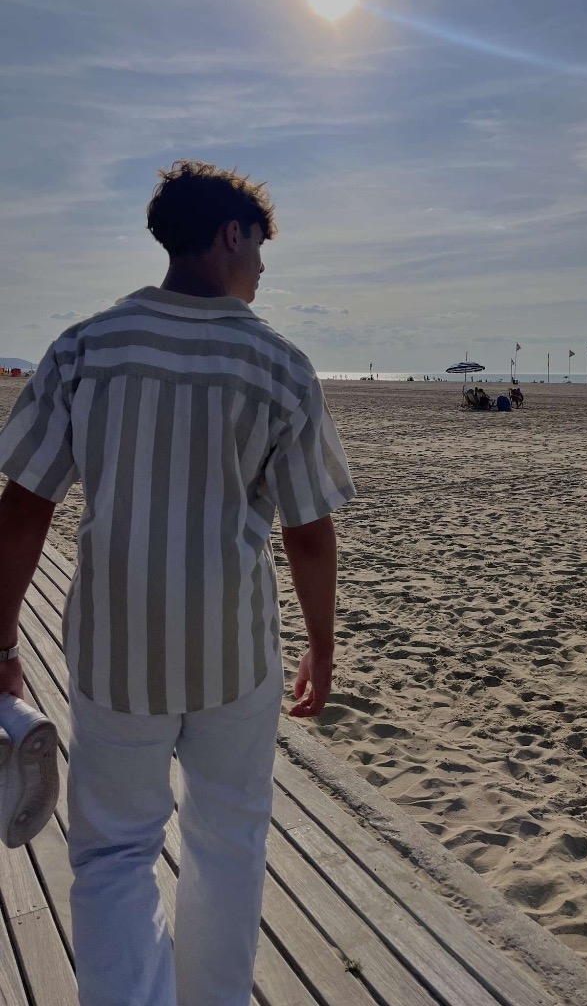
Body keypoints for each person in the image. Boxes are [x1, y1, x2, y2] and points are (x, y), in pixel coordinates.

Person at [0, 161, 356, 1006]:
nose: (262, 269)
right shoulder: (280, 365)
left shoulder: (87, 347)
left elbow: (23, 509)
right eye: (260, 248)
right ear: (231, 234)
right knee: (228, 840)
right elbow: (308, 531)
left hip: (116, 649)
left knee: (114, 851)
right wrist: (322, 644)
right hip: (234, 650)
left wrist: (3, 642)